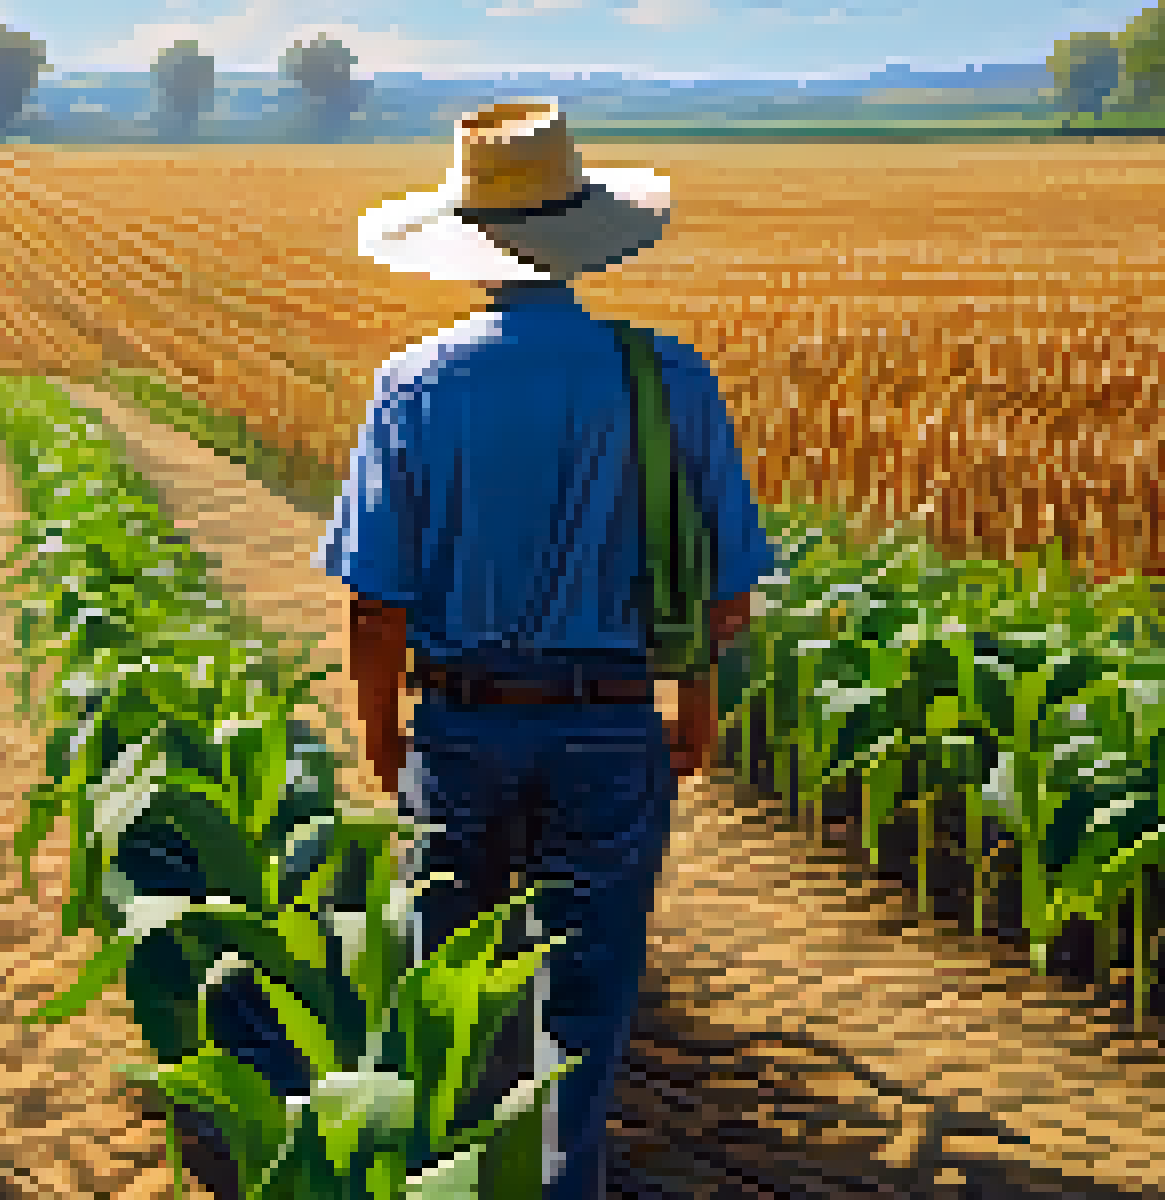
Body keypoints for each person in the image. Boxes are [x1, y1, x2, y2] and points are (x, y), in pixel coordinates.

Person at [322, 99, 777, 1199]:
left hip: (465, 724)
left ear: (468, 244)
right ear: (585, 236)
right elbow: (725, 601)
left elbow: (375, 603)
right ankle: (560, 1180)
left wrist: (384, 739)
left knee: (453, 986)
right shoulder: (670, 379)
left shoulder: (415, 384)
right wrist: (694, 720)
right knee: (585, 994)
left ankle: (459, 1180)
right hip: (614, 727)